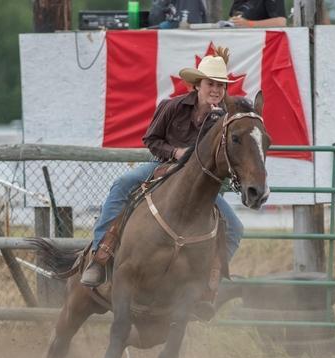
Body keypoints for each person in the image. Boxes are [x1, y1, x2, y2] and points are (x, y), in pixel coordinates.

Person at [81, 48, 245, 312]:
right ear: (197, 85)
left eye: (221, 85)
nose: (216, 89)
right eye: (211, 84)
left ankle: (208, 281)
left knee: (235, 227)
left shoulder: (224, 119)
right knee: (123, 184)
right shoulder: (173, 107)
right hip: (162, 165)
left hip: (197, 181)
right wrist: (176, 153)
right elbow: (151, 141)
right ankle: (101, 255)